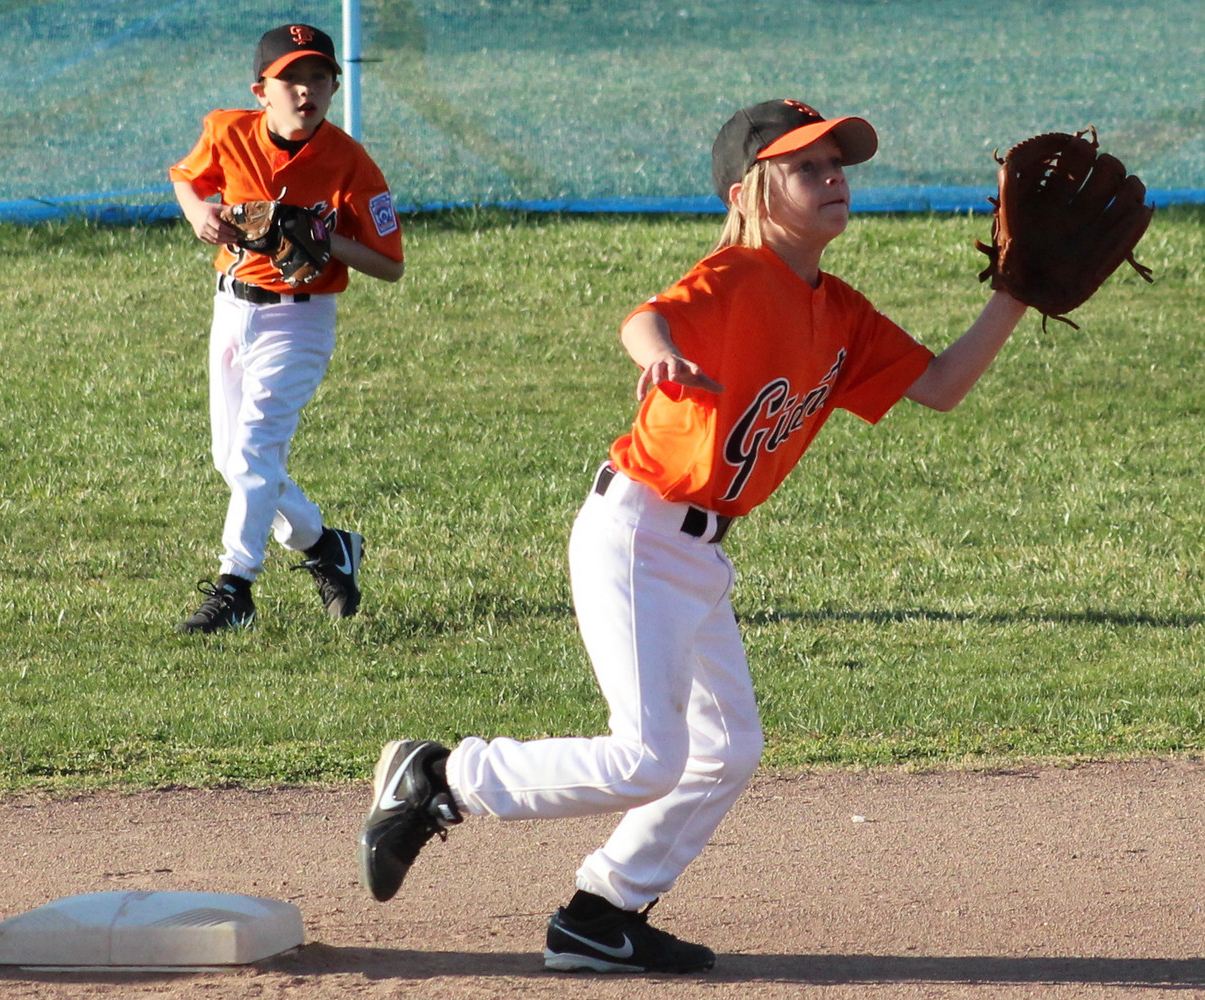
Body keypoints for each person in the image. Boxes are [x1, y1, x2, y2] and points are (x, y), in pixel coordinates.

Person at [357, 99, 1027, 973]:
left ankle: (601, 914)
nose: (832, 178)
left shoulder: (842, 311)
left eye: (836, 164)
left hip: (698, 550)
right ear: (747, 193)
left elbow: (939, 386)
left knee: (726, 750)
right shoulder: (737, 275)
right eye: (805, 167)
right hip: (637, 531)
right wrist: (659, 356)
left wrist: (1014, 297)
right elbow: (646, 318)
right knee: (647, 757)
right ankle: (441, 778)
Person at [169, 23, 404, 633]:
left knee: (254, 450)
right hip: (231, 309)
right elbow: (187, 177)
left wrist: (326, 238)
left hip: (300, 321)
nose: (306, 90)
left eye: (319, 77)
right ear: (261, 91)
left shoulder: (350, 161)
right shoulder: (228, 130)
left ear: (334, 87)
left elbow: (391, 265)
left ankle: (235, 588)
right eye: (290, 78)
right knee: (235, 461)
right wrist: (198, 212)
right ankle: (326, 545)